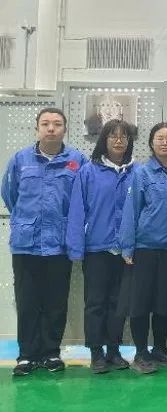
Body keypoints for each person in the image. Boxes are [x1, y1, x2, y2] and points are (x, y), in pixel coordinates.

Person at [2, 108, 87, 376]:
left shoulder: (77, 161)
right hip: (26, 244)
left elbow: (83, 199)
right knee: (27, 301)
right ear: (37, 128)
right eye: (45, 124)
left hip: (59, 245)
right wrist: (26, 220)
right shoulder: (21, 160)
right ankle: (27, 356)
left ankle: (51, 353)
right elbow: (10, 194)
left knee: (55, 302)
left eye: (57, 124)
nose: (51, 128)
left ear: (65, 129)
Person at [119, 122, 167, 374]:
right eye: (160, 138)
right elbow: (131, 210)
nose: (165, 142)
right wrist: (127, 246)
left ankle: (160, 348)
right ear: (151, 143)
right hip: (146, 248)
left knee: (165, 303)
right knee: (140, 303)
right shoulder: (142, 173)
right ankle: (141, 352)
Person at [67, 119, 137, 374]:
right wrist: (76, 247)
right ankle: (96, 353)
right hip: (96, 248)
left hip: (126, 251)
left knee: (119, 303)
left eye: (123, 136)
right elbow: (77, 210)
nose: (118, 140)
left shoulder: (137, 173)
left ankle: (114, 351)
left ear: (129, 142)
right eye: (112, 136)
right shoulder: (88, 172)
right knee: (95, 302)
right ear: (103, 140)